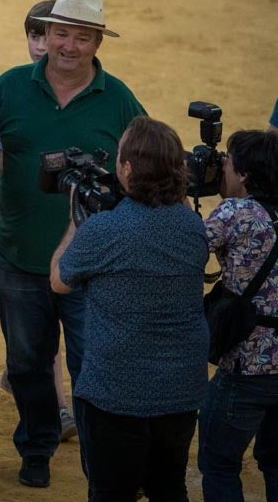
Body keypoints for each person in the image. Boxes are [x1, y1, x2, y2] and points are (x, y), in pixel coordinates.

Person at [0, 0, 145, 489]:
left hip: (91, 268)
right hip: (19, 253)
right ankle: (37, 444)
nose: (69, 46)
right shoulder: (10, 87)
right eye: (61, 33)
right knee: (27, 364)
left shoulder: (118, 99)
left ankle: (98, 465)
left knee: (92, 367)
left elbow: (141, 167)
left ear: (97, 42)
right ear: (46, 34)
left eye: (82, 37)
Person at [50, 116, 208, 502]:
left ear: (126, 168)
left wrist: (77, 218)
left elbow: (59, 279)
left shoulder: (105, 230)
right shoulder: (194, 227)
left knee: (110, 493)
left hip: (116, 393)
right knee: (169, 487)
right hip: (181, 389)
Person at [0, 0, 76, 441]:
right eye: (35, 35)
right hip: (22, 237)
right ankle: (54, 410)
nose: (42, 45)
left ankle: (57, 407)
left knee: (47, 338)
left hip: (69, 239)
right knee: (36, 340)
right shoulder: (12, 88)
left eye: (50, 35)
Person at [199, 129, 278, 500]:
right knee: (276, 462)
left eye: (227, 161)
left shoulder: (237, 211)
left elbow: (185, 250)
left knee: (219, 463)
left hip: (247, 367)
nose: (221, 167)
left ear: (244, 173)